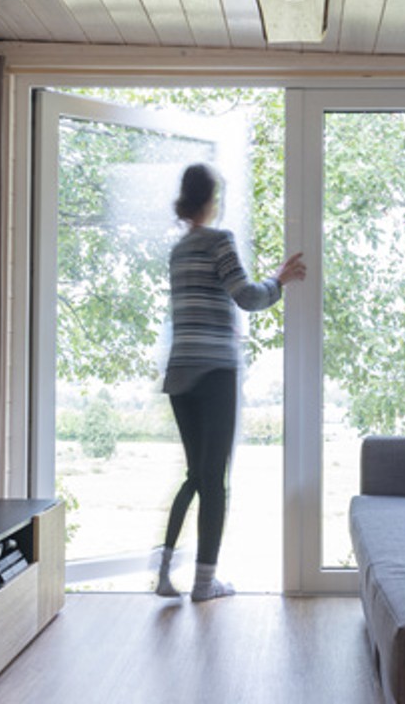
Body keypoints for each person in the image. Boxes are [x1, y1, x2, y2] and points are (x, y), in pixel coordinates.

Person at [157, 163, 306, 601]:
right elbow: (247, 296)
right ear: (211, 199)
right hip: (215, 373)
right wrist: (280, 279)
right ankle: (205, 584)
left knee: (195, 475)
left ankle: (164, 571)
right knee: (215, 480)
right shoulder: (219, 241)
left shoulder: (179, 250)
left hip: (180, 374)